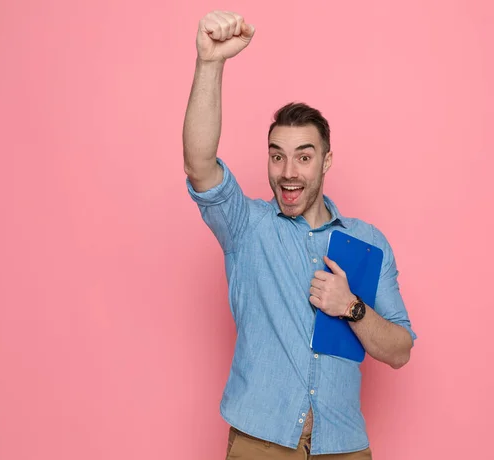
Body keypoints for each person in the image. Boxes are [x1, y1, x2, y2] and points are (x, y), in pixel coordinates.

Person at [183, 10, 417, 459]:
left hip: (343, 445)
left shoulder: (368, 241)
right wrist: (209, 64)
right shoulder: (246, 226)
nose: (288, 173)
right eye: (277, 156)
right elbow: (199, 165)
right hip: (261, 441)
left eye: (304, 157)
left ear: (326, 162)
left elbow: (400, 351)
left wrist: (350, 307)